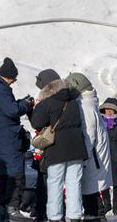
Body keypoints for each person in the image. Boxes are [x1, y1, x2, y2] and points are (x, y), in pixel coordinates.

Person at [0, 57, 34, 222]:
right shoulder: (0, 90)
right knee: (15, 175)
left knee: (1, 177)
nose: (13, 83)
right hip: (8, 141)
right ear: (9, 76)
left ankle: (2, 212)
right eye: (14, 79)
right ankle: (12, 210)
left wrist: (20, 102)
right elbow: (11, 110)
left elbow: (6, 108)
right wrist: (26, 105)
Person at [31, 68, 87, 222]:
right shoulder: (74, 100)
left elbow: (37, 123)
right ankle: (74, 216)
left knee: (55, 182)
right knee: (74, 182)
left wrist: (34, 108)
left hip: (56, 149)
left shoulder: (47, 102)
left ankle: (55, 216)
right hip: (76, 147)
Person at [66, 72, 111, 222]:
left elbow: (89, 135)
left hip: (91, 158)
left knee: (90, 190)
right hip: (94, 157)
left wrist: (82, 158)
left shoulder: (86, 107)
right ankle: (96, 213)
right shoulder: (89, 103)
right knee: (90, 190)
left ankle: (96, 214)